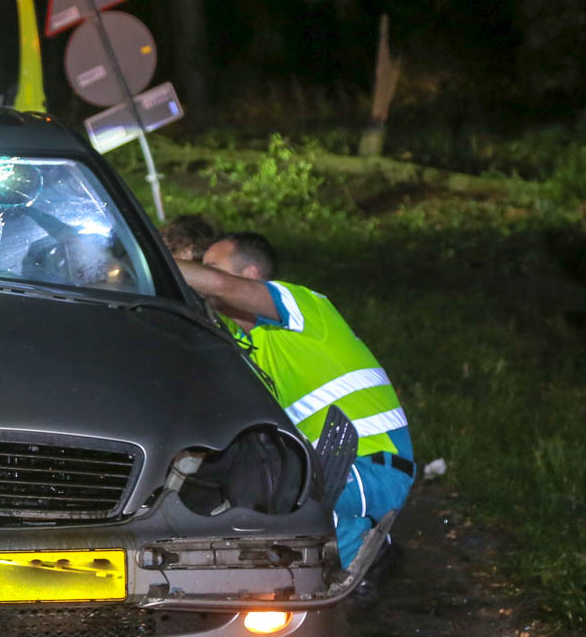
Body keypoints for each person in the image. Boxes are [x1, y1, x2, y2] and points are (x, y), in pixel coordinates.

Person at [176, 233, 413, 574]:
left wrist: (151, 263)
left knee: (291, 497)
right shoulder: (244, 346)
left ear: (251, 274)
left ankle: (366, 561)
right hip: (325, 465)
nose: (203, 275)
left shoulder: (303, 307)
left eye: (211, 266)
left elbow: (219, 285)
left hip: (373, 465)